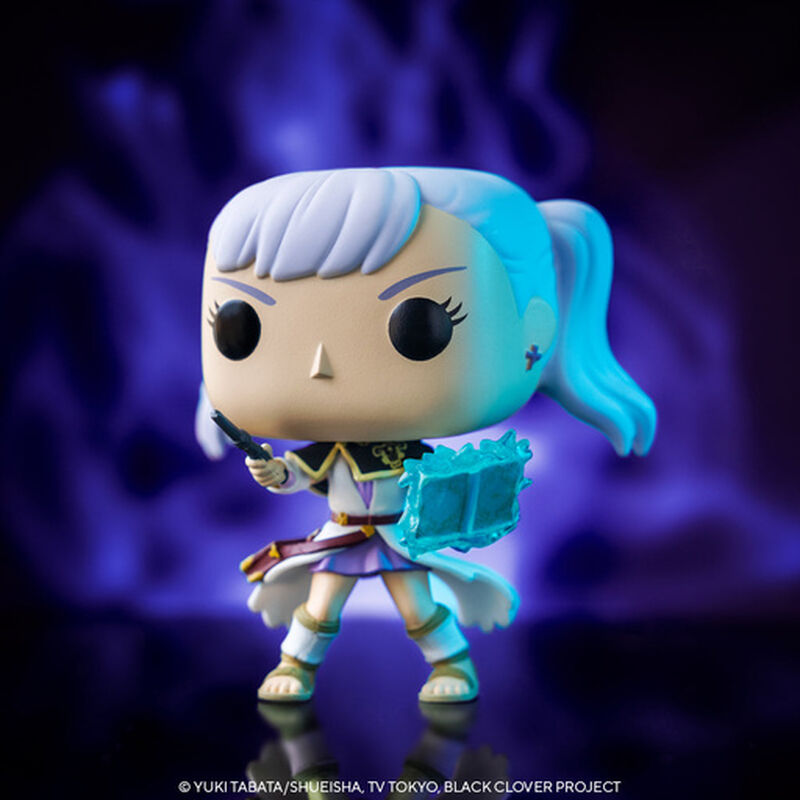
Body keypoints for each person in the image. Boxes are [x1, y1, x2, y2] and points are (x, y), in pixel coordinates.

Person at [196, 167, 656, 703]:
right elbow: (299, 473)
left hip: (398, 537)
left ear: (536, 330)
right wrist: (276, 472)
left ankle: (452, 667)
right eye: (240, 327)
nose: (320, 366)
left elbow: (440, 484)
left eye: (420, 323)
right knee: (319, 608)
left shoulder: (405, 452)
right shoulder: (333, 451)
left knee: (419, 609)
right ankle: (295, 667)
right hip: (341, 537)